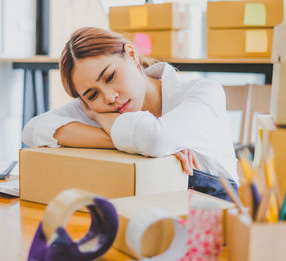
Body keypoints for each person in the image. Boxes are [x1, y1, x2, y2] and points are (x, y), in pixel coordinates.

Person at [22, 27, 238, 201]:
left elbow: (155, 138)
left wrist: (102, 119)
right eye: (92, 95)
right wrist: (117, 136)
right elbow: (33, 129)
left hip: (216, 215)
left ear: (132, 55)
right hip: (150, 212)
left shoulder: (203, 91)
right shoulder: (94, 108)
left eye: (109, 77)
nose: (108, 97)